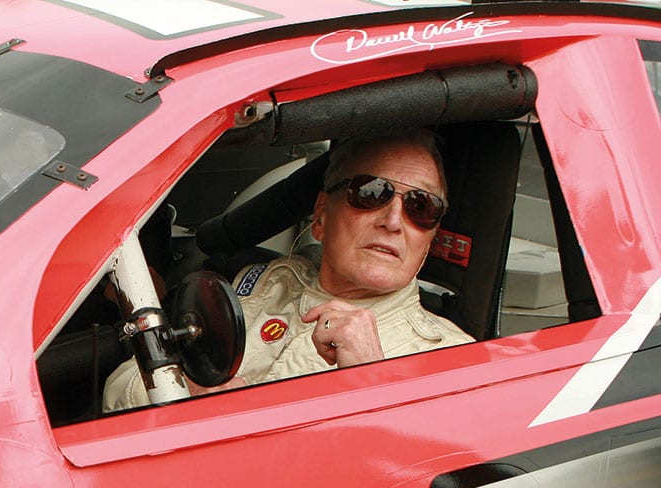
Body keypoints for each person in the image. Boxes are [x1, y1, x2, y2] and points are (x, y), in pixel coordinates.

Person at [103, 128, 474, 411]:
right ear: (322, 218)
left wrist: (371, 381)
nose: (394, 221)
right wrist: (189, 388)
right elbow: (120, 388)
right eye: (371, 192)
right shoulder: (266, 282)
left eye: (420, 206)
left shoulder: (454, 360)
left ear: (429, 241)